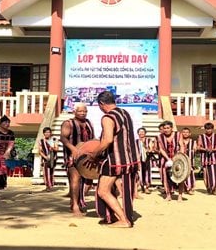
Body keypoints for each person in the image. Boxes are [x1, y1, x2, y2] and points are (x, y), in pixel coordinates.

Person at [78, 90, 138, 228]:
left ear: (101, 103)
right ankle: (117, 216)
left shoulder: (107, 117)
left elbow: (107, 140)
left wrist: (94, 154)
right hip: (131, 158)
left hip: (115, 160)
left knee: (103, 190)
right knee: (121, 190)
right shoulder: (125, 113)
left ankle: (123, 220)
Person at [60, 103, 95, 216]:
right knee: (75, 179)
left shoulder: (89, 123)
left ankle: (78, 200)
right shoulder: (68, 123)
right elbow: (63, 138)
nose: (83, 113)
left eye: (84, 111)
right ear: (74, 111)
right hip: (72, 156)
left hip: (87, 156)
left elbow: (92, 138)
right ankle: (75, 205)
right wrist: (73, 149)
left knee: (89, 181)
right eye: (80, 111)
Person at [157, 121, 185, 201]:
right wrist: (168, 159)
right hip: (165, 159)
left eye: (168, 128)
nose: (166, 130)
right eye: (164, 128)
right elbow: (161, 149)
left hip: (177, 158)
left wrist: (180, 156)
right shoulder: (160, 137)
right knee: (165, 177)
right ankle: (168, 195)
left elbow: (181, 146)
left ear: (171, 128)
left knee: (181, 176)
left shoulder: (178, 134)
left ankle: (180, 195)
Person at [197, 122, 216, 195]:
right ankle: (208, 188)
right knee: (206, 174)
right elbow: (198, 146)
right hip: (205, 158)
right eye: (207, 129)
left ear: (212, 129)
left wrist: (213, 149)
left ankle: (214, 189)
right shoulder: (201, 136)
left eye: (210, 129)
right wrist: (205, 149)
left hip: (215, 158)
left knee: (215, 174)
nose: (208, 130)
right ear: (205, 129)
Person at [136, 127, 155, 194]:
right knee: (140, 173)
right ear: (138, 133)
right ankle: (141, 187)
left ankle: (147, 187)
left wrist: (148, 150)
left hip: (147, 158)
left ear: (145, 133)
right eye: (140, 132)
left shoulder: (149, 140)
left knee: (147, 173)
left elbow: (152, 148)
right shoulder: (136, 141)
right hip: (138, 159)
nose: (141, 133)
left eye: (142, 132)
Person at [39, 127, 57, 192]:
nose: (47, 133)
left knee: (51, 172)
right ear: (43, 133)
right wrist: (45, 157)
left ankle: (51, 184)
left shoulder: (54, 139)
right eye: (46, 132)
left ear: (50, 133)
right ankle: (48, 186)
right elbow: (40, 151)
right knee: (46, 173)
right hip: (45, 158)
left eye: (48, 132)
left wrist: (52, 148)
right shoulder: (41, 141)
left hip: (52, 158)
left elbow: (57, 148)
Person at [179, 127, 197, 195]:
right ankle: (185, 188)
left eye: (187, 132)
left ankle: (190, 188)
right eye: (184, 132)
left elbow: (195, 150)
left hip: (190, 161)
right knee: (182, 174)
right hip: (182, 161)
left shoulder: (193, 142)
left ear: (190, 134)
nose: (185, 134)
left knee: (190, 174)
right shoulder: (179, 142)